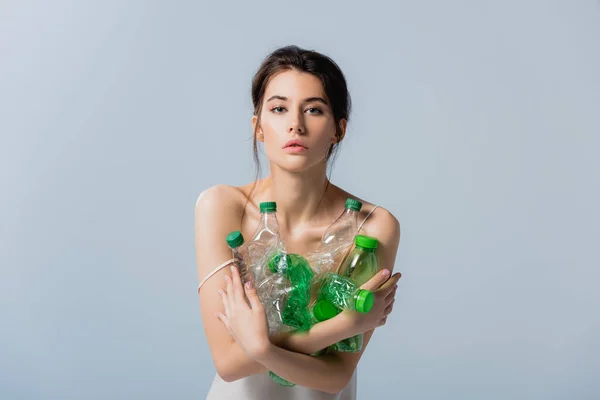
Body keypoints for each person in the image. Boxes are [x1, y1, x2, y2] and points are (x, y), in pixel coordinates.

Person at [195, 45, 402, 399]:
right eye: (278, 108)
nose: (296, 124)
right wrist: (345, 324)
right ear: (259, 127)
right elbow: (228, 363)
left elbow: (336, 375)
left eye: (314, 109)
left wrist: (260, 346)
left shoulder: (374, 225)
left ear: (338, 129)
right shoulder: (222, 206)